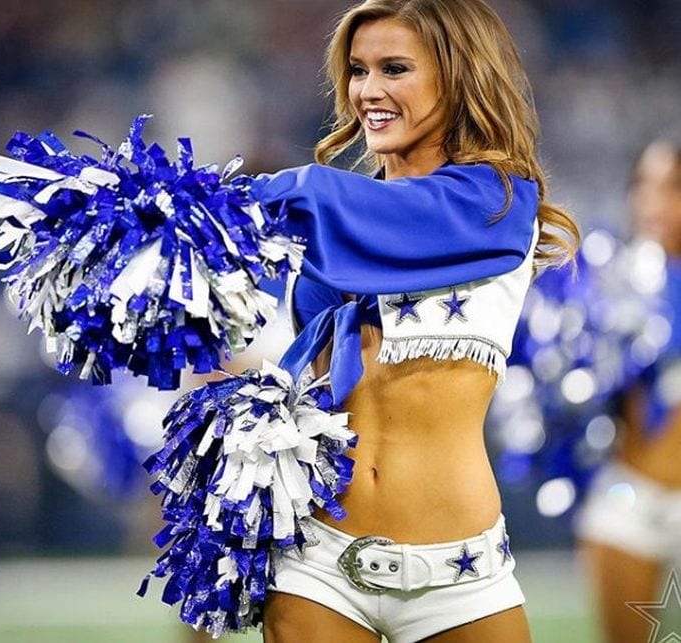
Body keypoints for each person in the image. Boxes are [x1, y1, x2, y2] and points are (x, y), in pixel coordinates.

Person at [238, 1, 579, 641]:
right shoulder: (334, 223)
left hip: (460, 574)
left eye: (394, 69)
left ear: (458, 76)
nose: (368, 90)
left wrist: (214, 200)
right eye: (358, 70)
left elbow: (344, 204)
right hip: (318, 562)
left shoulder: (495, 202)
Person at [576, 141, 681, 643]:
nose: (653, 201)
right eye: (643, 185)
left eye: (673, 187)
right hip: (630, 495)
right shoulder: (608, 286)